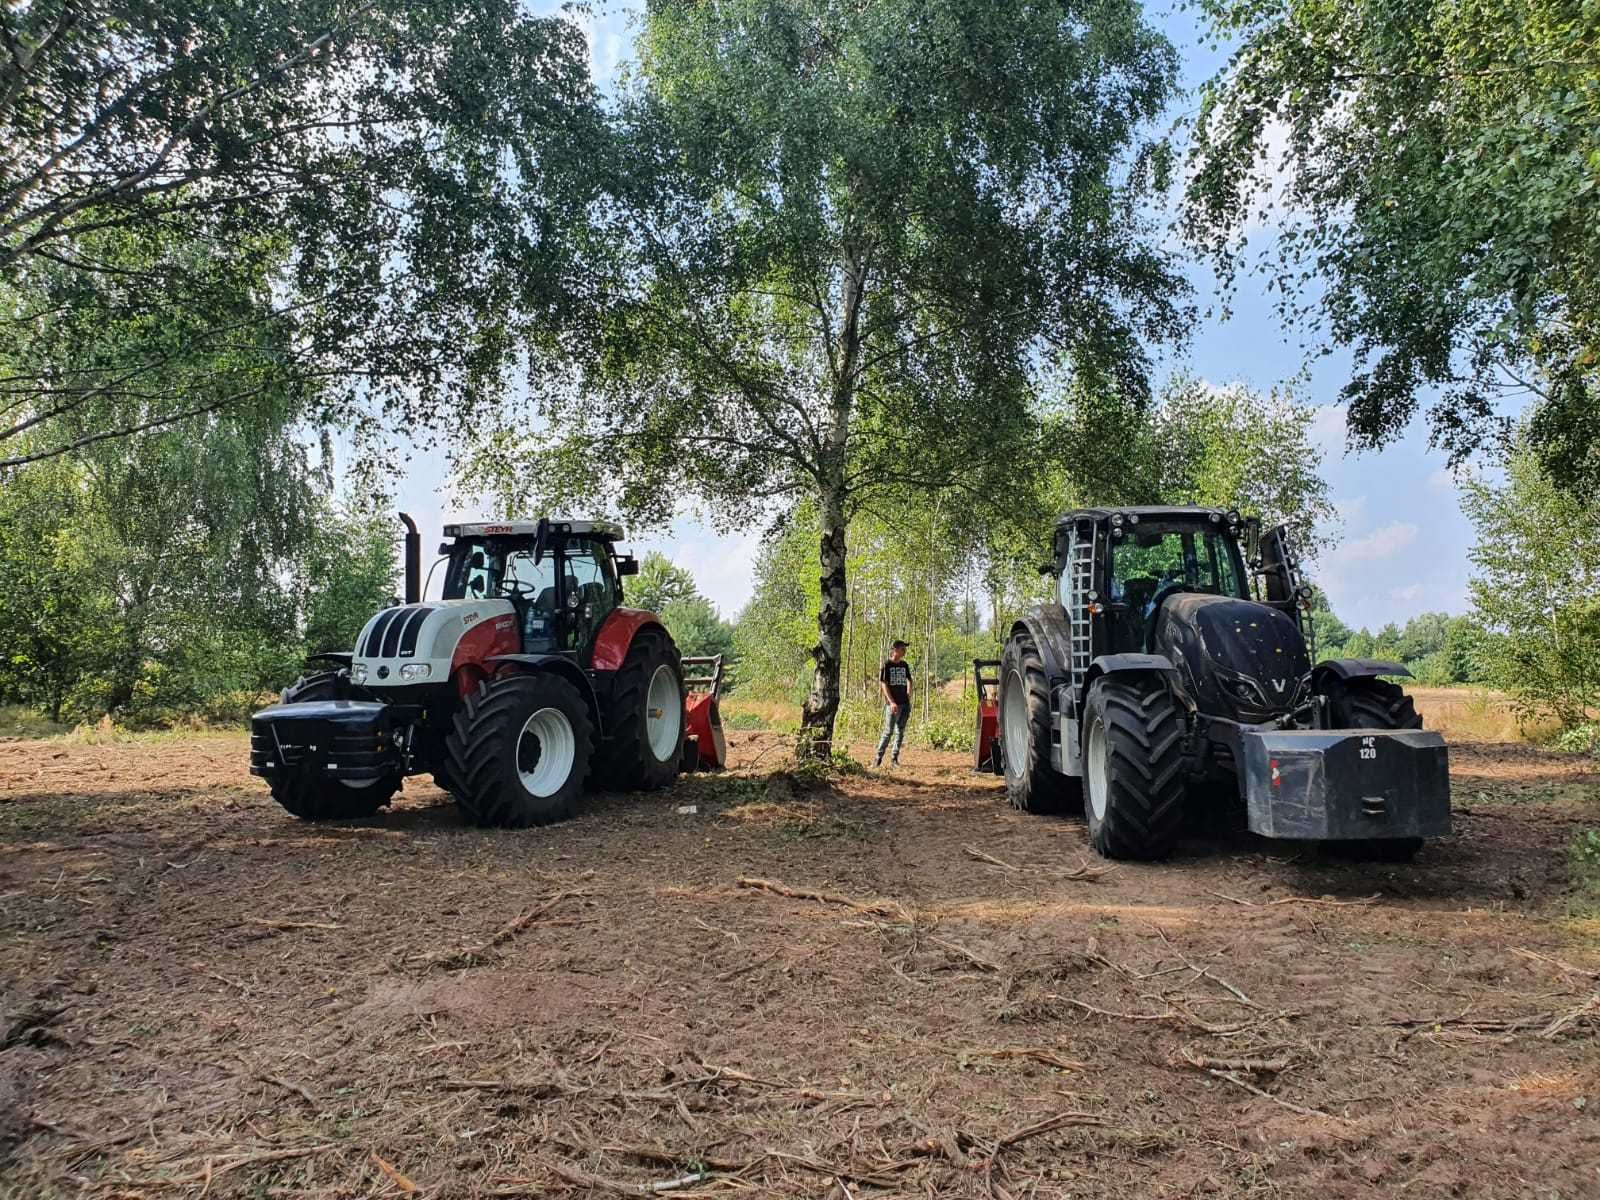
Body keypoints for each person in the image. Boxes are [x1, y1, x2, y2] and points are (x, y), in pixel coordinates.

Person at [875, 639, 914, 768]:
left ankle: (894, 759)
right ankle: (878, 759)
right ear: (896, 650)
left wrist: (909, 693)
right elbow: (883, 684)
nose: (905, 651)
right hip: (893, 705)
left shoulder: (904, 665)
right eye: (903, 649)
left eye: (905, 649)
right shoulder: (887, 665)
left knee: (900, 732)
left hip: (905, 704)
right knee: (888, 732)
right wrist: (891, 702)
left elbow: (909, 680)